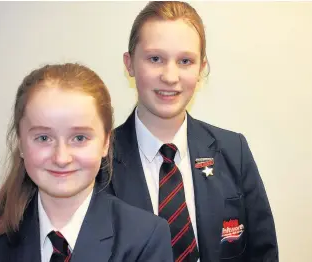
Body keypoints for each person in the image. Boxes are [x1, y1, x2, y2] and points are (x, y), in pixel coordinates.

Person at [106, 1, 279, 261]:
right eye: (155, 58)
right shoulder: (98, 162)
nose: (170, 76)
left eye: (185, 61)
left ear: (201, 69)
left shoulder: (234, 151)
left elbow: (263, 254)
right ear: (129, 64)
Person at [0, 63, 174, 262]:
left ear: (105, 143)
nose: (61, 158)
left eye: (79, 138)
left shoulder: (145, 238)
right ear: (20, 143)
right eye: (43, 138)